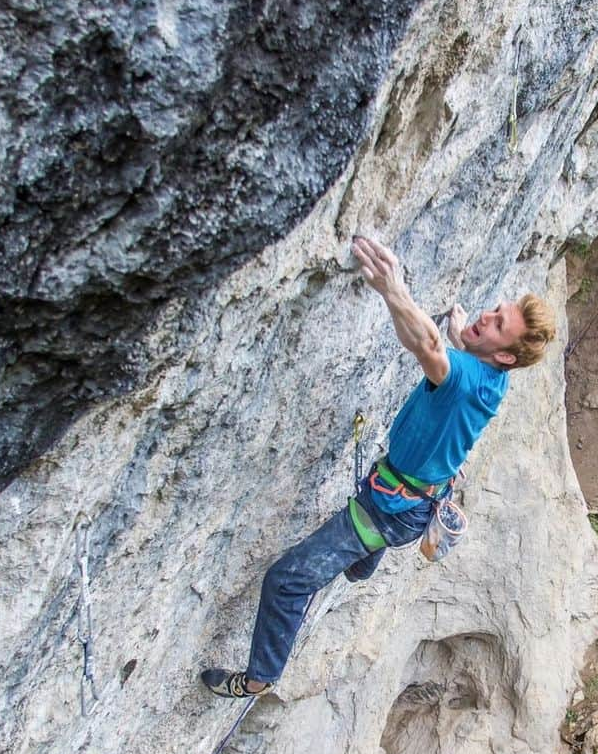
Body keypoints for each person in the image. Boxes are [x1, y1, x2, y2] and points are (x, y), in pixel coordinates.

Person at [200, 235, 557, 698]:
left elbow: (427, 345)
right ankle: (363, 565)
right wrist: (466, 337)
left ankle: (258, 678)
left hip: (386, 510)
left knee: (285, 582)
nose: (487, 316)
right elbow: (455, 356)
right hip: (415, 499)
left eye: (497, 324)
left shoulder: (465, 379)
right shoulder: (491, 379)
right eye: (495, 309)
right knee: (359, 554)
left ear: (505, 355)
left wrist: (393, 288)